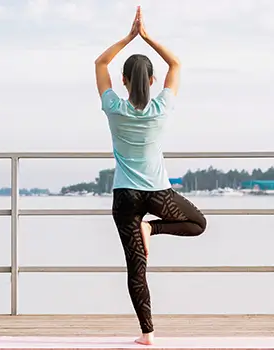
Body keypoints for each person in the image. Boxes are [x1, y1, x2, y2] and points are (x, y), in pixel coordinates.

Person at [93, 6, 207, 346]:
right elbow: (176, 64)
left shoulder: (114, 106)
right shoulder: (161, 107)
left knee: (136, 269)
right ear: (153, 81)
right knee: (198, 224)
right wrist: (147, 37)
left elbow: (100, 64)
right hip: (159, 193)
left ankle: (147, 334)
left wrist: (129, 38)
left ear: (124, 80)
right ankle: (152, 228)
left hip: (125, 196)